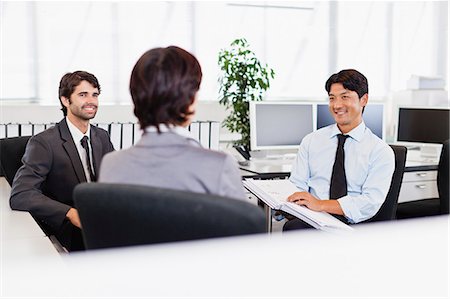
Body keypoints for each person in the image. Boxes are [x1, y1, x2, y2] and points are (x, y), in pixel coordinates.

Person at [99, 46, 246, 201]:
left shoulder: (111, 165)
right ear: (191, 99)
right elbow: (242, 225)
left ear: (136, 97)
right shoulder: (219, 166)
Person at [10, 71, 114, 251]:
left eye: (94, 95)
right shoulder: (44, 143)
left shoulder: (101, 137)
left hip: (101, 219)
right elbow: (21, 194)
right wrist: (70, 213)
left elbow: (114, 180)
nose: (91, 101)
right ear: (65, 100)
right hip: (71, 231)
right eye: (83, 95)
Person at [284, 69, 395, 230]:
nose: (336, 105)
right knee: (293, 228)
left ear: (364, 100)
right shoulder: (311, 141)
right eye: (332, 98)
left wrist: (321, 205)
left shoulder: (380, 151)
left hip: (354, 224)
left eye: (345, 97)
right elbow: (296, 185)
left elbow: (370, 202)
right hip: (313, 218)